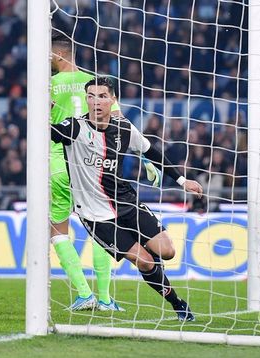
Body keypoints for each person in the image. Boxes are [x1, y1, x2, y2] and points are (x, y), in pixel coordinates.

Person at [51, 77, 203, 321]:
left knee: (168, 251)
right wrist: (42, 112)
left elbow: (151, 151)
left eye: (102, 96)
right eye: (91, 96)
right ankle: (177, 303)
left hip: (127, 203)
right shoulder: (75, 128)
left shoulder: (123, 127)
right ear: (86, 99)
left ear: (113, 100)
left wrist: (183, 181)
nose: (96, 102)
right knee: (144, 263)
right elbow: (48, 133)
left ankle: (154, 269)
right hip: (95, 215)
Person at [49, 33, 160, 311]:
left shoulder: (47, 84)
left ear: (59, 54)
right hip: (92, 166)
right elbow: (120, 122)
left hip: (57, 164)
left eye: (48, 54)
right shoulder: (96, 83)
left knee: (57, 229)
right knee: (103, 225)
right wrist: (145, 157)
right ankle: (105, 298)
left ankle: (84, 294)